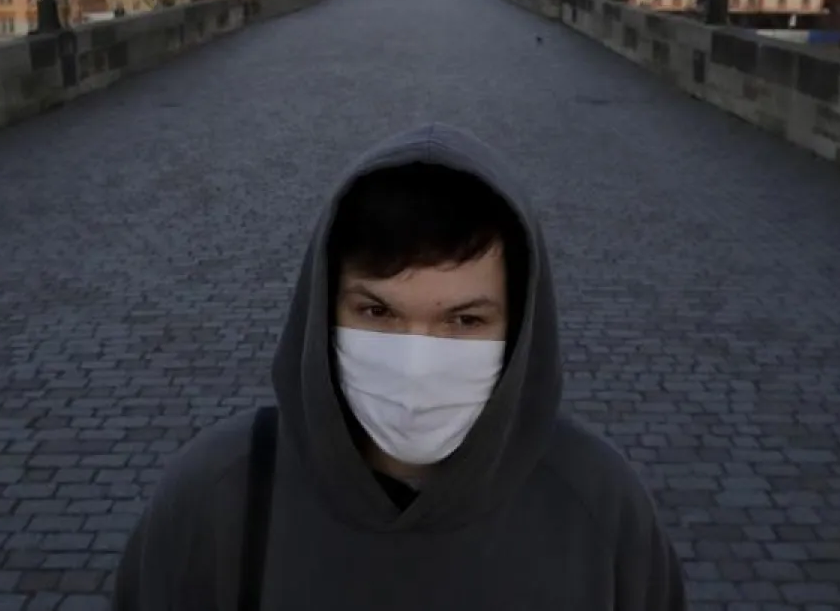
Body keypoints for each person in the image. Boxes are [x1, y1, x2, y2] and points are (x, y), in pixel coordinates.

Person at [114, 123, 686, 611]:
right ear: (323, 308)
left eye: (464, 321)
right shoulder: (215, 499)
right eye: (377, 310)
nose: (416, 363)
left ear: (519, 330)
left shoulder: (602, 510)